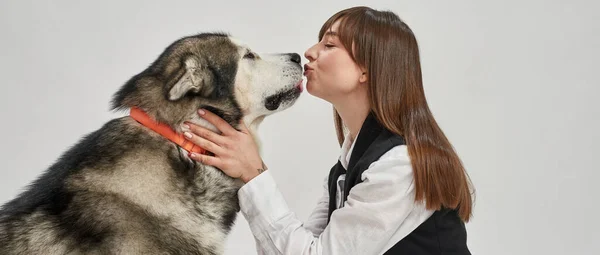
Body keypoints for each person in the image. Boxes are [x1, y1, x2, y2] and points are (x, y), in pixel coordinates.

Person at [182, 6, 474, 255]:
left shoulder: (398, 168)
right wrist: (249, 173)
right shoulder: (349, 166)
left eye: (329, 45)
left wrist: (253, 173)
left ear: (367, 69)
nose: (309, 52)